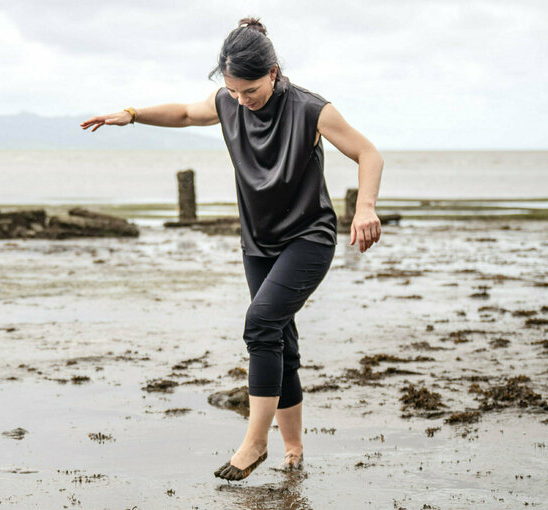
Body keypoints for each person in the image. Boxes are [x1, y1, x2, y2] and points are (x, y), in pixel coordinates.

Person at [80, 16, 383, 481]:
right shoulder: (228, 101)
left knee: (260, 324)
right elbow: (184, 114)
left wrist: (364, 209)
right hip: (258, 243)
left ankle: (255, 441)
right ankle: (294, 449)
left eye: (252, 92)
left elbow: (369, 154)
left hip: (308, 238)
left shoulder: (310, 110)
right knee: (281, 338)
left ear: (274, 73)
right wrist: (133, 114)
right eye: (235, 92)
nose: (243, 101)